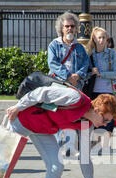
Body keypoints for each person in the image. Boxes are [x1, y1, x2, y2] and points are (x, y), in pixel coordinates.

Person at [48, 12, 90, 157]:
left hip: (75, 85)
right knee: (58, 114)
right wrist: (67, 76)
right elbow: (52, 63)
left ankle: (70, 147)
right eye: (67, 26)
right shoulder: (54, 45)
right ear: (61, 28)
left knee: (72, 114)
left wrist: (78, 75)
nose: (70, 29)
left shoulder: (79, 47)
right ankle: (58, 147)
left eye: (72, 26)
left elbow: (85, 63)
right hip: (59, 84)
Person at [85, 27, 116, 152]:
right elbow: (85, 73)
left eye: (104, 37)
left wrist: (101, 73)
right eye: (99, 37)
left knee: (109, 118)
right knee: (96, 118)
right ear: (94, 38)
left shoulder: (111, 53)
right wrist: (91, 73)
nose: (101, 40)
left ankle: (105, 145)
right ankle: (97, 145)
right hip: (93, 91)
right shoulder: (89, 54)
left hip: (107, 90)